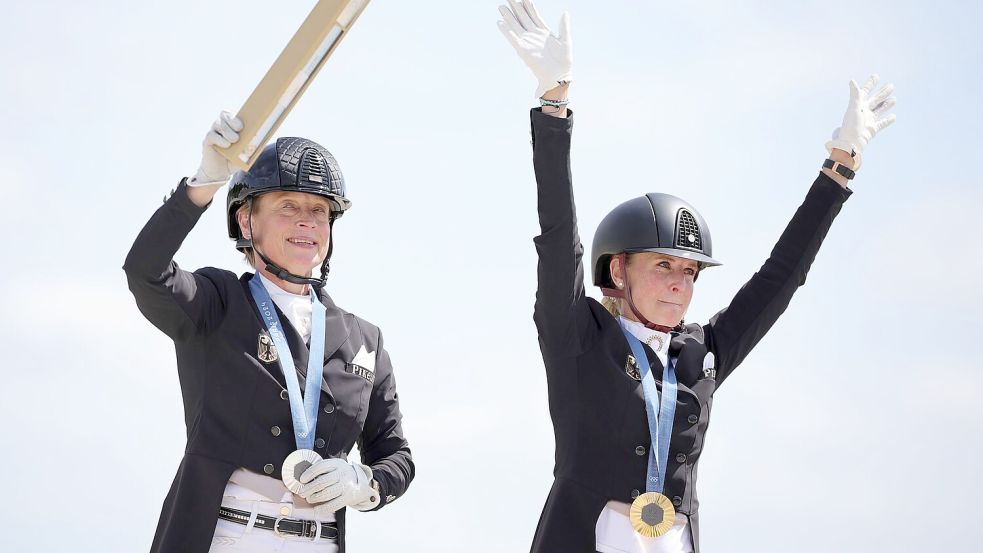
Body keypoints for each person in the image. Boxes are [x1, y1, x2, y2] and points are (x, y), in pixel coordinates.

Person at [496, 1, 897, 552]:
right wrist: (554, 104)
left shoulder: (702, 353)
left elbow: (780, 279)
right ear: (619, 270)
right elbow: (559, 235)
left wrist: (839, 169)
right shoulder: (580, 338)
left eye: (689, 272)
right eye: (663, 266)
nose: (680, 284)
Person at [123, 113, 414, 553]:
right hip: (224, 536)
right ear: (246, 223)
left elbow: (397, 456)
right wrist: (203, 183)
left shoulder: (364, 340)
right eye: (288, 207)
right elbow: (145, 271)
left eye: (319, 211)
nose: (307, 223)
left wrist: (363, 482)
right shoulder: (216, 301)